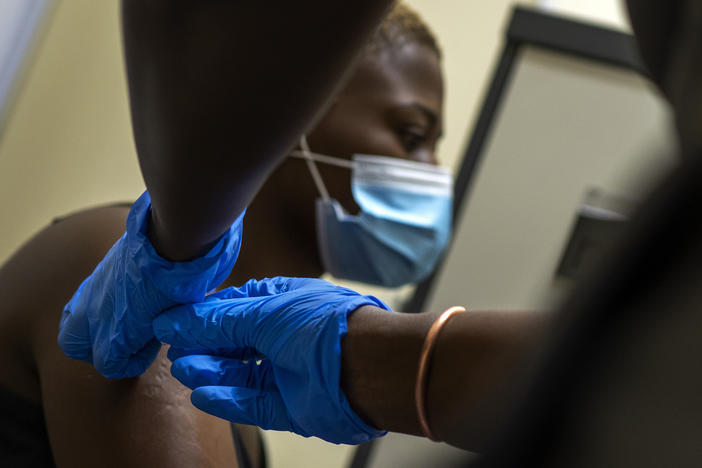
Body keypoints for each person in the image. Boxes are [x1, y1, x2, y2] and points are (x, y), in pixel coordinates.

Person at [152, 0, 702, 462]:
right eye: (412, 135)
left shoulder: (219, 368)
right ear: (289, 114)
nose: (434, 174)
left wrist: (392, 363)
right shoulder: (153, 321)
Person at [0, 0, 425, 466]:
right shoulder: (119, 285)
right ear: (301, 111)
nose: (432, 174)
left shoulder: (235, 371)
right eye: (412, 134)